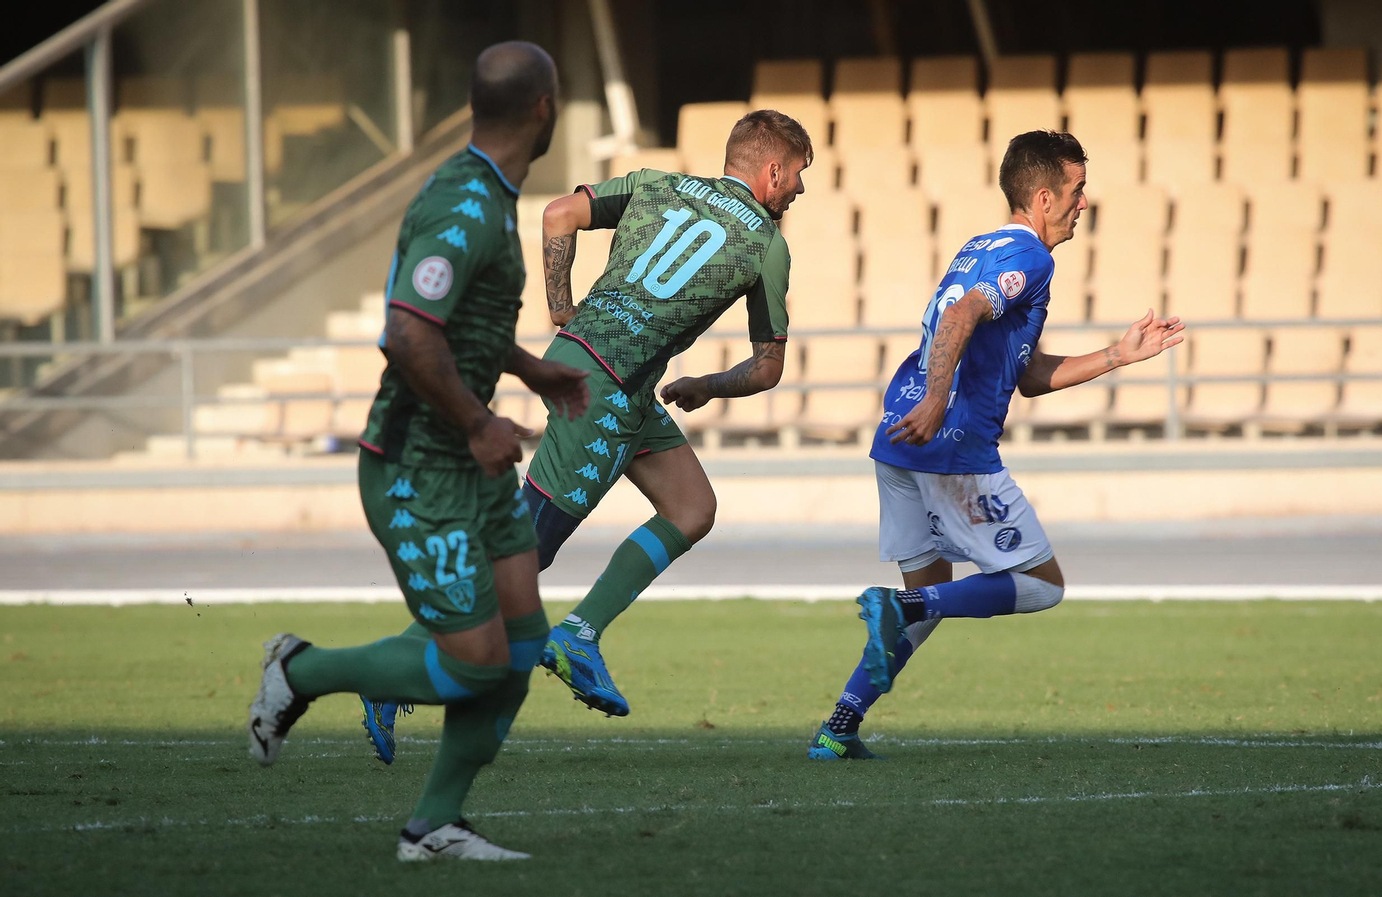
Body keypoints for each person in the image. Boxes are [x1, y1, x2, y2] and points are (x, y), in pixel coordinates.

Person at [359, 109, 810, 756]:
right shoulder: (767, 244)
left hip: (598, 368)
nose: (798, 189)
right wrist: (709, 386)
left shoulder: (659, 183)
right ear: (772, 171)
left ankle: (579, 633)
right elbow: (769, 367)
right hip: (606, 388)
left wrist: (562, 310)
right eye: (797, 174)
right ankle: (392, 668)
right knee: (522, 551)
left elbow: (556, 216)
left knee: (691, 507)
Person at [246, 42, 591, 860]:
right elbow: (406, 334)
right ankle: (300, 671)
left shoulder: (483, 194)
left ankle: (432, 825)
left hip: (468, 469)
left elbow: (454, 323)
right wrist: (478, 423)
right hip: (418, 470)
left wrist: (527, 364)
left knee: (521, 646)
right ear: (544, 108)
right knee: (475, 663)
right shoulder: (465, 205)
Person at [806, 130, 1185, 760]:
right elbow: (959, 320)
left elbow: (1027, 375)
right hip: (951, 446)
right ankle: (897, 606)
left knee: (925, 605)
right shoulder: (1034, 257)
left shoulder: (978, 247)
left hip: (899, 442)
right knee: (1040, 586)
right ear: (1042, 196)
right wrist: (936, 400)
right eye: (1077, 190)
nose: (1083, 204)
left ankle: (839, 727)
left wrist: (1119, 354)